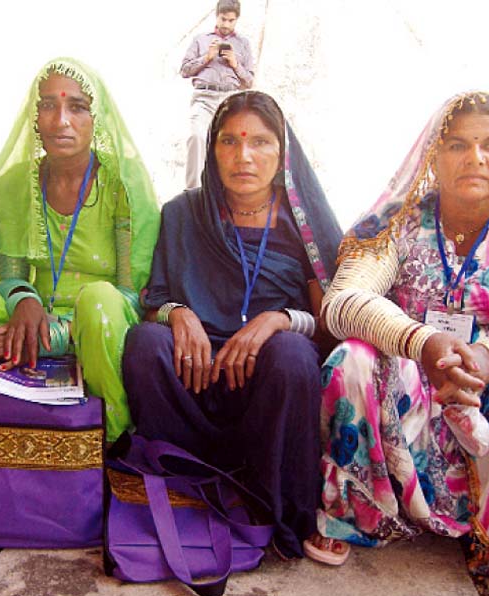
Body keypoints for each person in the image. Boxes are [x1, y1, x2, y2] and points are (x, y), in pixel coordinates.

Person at [305, 91, 489, 596]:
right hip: (414, 384)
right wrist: (421, 342)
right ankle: (356, 515)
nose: (475, 158)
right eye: (457, 145)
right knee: (351, 359)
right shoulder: (400, 223)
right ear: (434, 154)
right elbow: (343, 300)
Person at [0, 57, 160, 546]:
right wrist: (22, 302)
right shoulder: (13, 185)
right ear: (34, 117)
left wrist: (54, 332)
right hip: (24, 321)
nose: (61, 120)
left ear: (96, 117)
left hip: (98, 327)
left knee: (99, 301)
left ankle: (107, 461)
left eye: (77, 107)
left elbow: (130, 294)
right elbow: (11, 275)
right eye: (49, 106)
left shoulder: (126, 189)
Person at [123, 91, 343, 559]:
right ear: (212, 149)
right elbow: (154, 302)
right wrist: (177, 313)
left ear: (282, 152)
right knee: (145, 343)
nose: (244, 156)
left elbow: (330, 324)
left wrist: (280, 320)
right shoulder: (184, 213)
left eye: (261, 142)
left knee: (293, 355)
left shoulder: (301, 222)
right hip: (195, 373)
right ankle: (178, 484)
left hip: (265, 380)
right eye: (229, 141)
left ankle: (276, 503)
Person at [180, 0, 255, 190]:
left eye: (231, 20)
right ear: (217, 16)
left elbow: (249, 81)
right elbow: (184, 71)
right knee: (196, 137)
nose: (226, 24)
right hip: (204, 97)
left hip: (230, 100)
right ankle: (193, 193)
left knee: (232, 143)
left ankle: (228, 193)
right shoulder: (201, 39)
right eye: (223, 19)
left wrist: (235, 63)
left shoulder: (243, 44)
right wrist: (207, 57)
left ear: (236, 20)